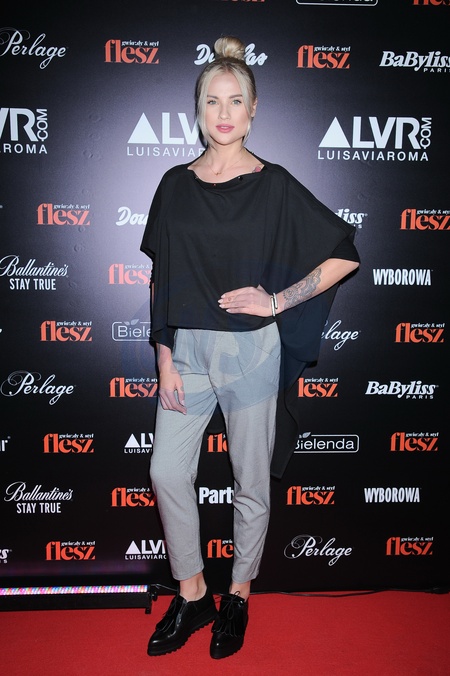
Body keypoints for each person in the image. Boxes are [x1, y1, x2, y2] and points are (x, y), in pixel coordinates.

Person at [140, 36, 359, 660]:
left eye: (236, 100)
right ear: (198, 109)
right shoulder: (173, 184)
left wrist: (278, 301)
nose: (224, 112)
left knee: (251, 482)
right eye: (213, 101)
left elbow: (344, 254)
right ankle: (192, 594)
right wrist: (163, 357)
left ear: (254, 108)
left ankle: (237, 594)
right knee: (165, 472)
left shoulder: (275, 184)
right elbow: (161, 278)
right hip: (186, 353)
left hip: (252, 352)